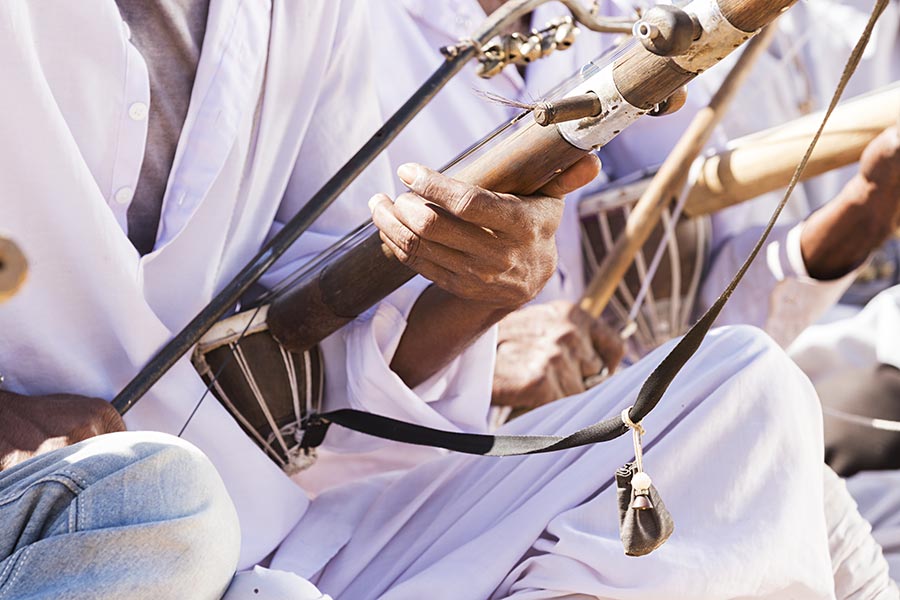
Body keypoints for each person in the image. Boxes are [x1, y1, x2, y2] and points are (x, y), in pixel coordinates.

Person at [2, 1, 896, 599]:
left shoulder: (319, 16)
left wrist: (481, 299)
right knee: (164, 501)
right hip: (121, 510)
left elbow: (314, 336)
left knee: (748, 395)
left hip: (295, 503)